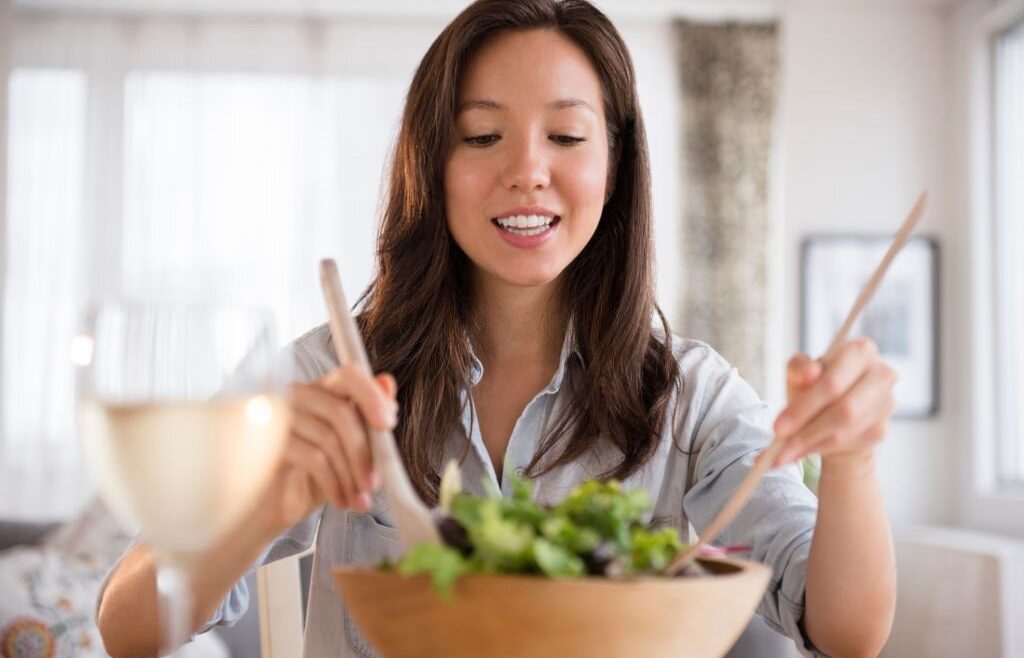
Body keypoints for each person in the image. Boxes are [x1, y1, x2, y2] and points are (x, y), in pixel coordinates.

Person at [96, 1, 898, 656]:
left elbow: (846, 629)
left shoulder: (691, 396)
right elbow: (125, 625)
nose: (526, 170)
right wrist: (263, 501)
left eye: (567, 136)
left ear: (615, 165)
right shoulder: (324, 370)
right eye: (482, 136)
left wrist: (854, 460)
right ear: (431, 162)